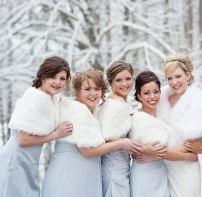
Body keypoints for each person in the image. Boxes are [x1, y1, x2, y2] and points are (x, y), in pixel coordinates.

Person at [41, 68, 142, 197]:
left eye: (97, 89)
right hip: (69, 177)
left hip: (84, 176)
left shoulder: (92, 111)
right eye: (87, 89)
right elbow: (87, 151)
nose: (93, 93)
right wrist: (121, 143)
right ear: (77, 91)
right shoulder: (77, 112)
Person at [0, 56, 73, 197]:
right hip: (16, 159)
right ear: (43, 77)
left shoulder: (51, 98)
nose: (58, 82)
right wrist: (56, 134)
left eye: (62, 78)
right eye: (53, 77)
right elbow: (23, 140)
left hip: (29, 160)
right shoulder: (34, 99)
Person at [129, 71, 199, 197]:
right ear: (139, 96)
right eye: (146, 93)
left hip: (161, 173)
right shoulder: (139, 119)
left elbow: (163, 152)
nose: (152, 96)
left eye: (156, 91)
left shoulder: (161, 116)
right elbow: (161, 151)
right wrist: (188, 156)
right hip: (145, 175)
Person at [157, 53, 202, 197]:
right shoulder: (161, 96)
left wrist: (163, 153)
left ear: (188, 75)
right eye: (169, 78)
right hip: (160, 168)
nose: (174, 82)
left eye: (178, 76)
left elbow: (192, 143)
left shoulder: (197, 100)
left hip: (185, 168)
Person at [97, 60, 138, 197]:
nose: (125, 84)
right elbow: (105, 136)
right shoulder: (113, 104)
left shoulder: (122, 102)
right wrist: (129, 145)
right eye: (119, 80)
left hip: (123, 165)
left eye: (128, 79)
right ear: (110, 83)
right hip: (113, 167)